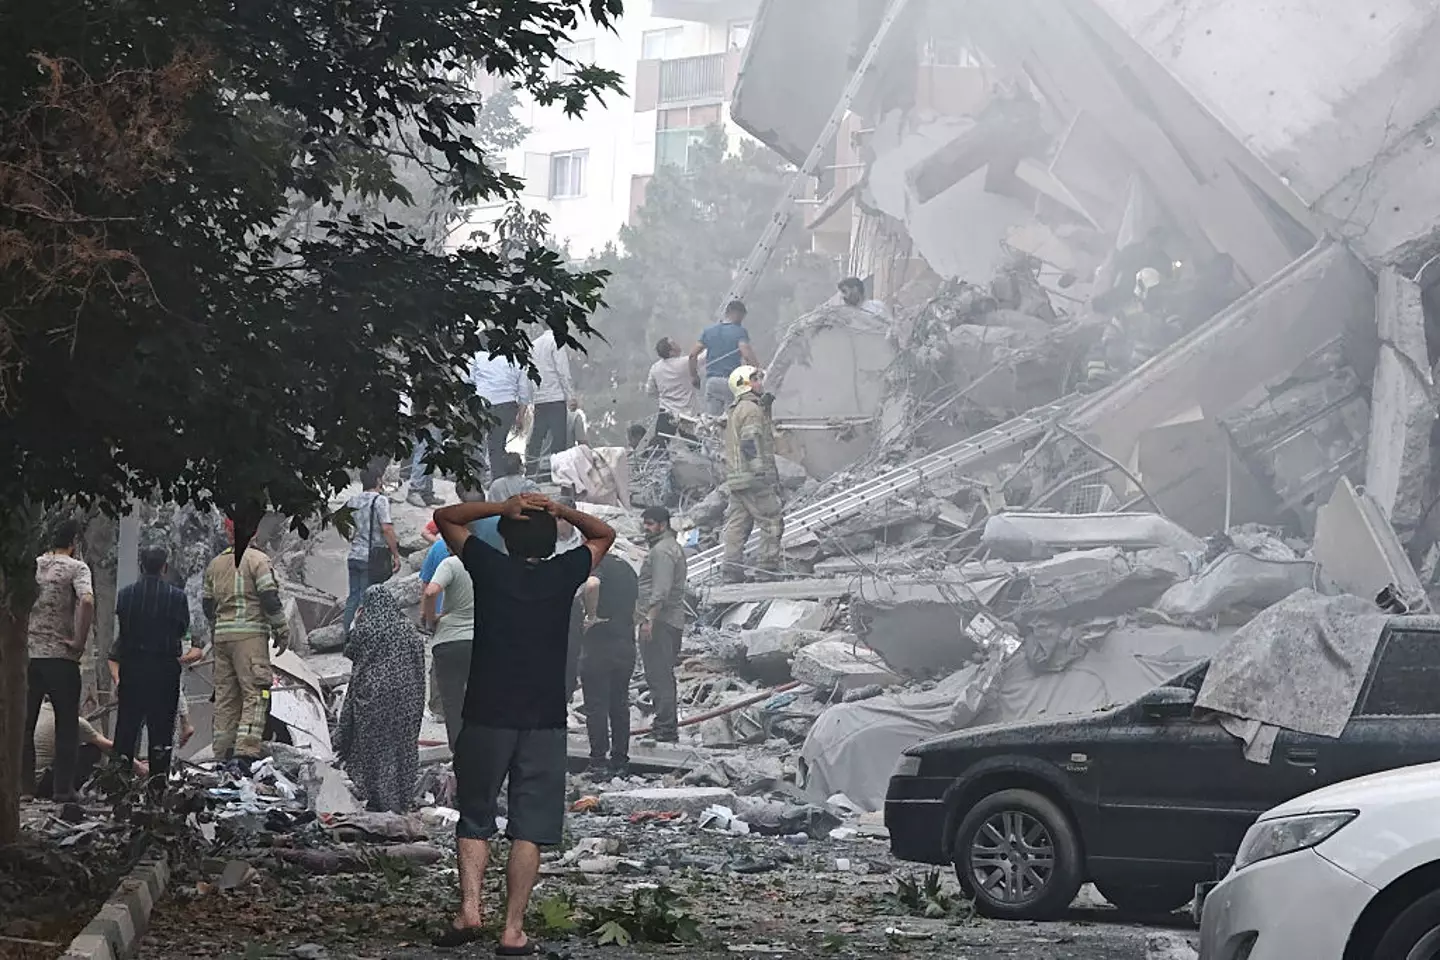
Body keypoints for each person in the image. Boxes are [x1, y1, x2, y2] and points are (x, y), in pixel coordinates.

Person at [431, 493, 615, 952]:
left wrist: (500, 506)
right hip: (544, 716)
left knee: (475, 814)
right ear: (553, 540)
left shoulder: (489, 566)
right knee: (529, 825)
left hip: (487, 711)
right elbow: (604, 534)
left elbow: (444, 518)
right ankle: (513, 930)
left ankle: (470, 910)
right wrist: (563, 511)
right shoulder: (563, 572)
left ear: (507, 536)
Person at [109, 545, 203, 791]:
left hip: (133, 669)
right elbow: (182, 630)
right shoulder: (177, 597)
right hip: (164, 671)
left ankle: (117, 787)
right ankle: (157, 789)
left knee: (126, 729)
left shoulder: (126, 595)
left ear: (141, 566)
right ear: (164, 567)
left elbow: (124, 631)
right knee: (161, 732)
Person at [203, 518, 290, 769]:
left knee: (225, 697)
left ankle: (222, 753)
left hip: (222, 637)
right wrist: (282, 629)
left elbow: (208, 604)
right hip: (250, 637)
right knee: (257, 692)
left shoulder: (215, 564)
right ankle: (244, 754)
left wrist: (217, 628)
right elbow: (269, 597)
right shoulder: (257, 560)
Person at [21, 519, 95, 802]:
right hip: (61, 658)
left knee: (26, 724)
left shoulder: (34, 565)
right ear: (74, 542)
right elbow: (86, 601)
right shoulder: (77, 568)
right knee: (66, 724)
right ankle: (62, 790)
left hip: (30, 656)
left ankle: (25, 789)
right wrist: (78, 640)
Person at [336, 585, 426, 812]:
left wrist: (355, 623)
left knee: (375, 748)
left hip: (373, 699)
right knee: (402, 746)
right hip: (407, 699)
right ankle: (400, 799)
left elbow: (349, 651)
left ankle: (379, 798)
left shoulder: (366, 628)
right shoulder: (407, 627)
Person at [721, 366, 784, 583]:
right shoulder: (751, 409)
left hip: (737, 480)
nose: (760, 382)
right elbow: (750, 442)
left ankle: (731, 571)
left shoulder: (737, 409)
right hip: (753, 478)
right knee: (772, 520)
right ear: (744, 384)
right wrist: (761, 472)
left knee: (738, 525)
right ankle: (767, 569)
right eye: (755, 379)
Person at [580, 552, 639, 773]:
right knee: (619, 704)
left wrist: (591, 616)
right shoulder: (626, 567)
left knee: (596, 705)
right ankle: (620, 760)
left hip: (599, 645)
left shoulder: (598, 564)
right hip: (625, 643)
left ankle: (598, 763)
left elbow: (592, 585)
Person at [636, 505, 687, 743]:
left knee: (659, 676)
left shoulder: (662, 552)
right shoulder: (669, 547)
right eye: (644, 523)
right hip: (669, 621)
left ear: (662, 524)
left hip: (661, 622)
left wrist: (649, 620)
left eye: (650, 524)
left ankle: (665, 729)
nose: (645, 528)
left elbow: (661, 590)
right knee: (661, 675)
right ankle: (665, 725)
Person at [31, 702, 143, 798]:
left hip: (27, 784)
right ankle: (66, 790)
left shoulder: (37, 713)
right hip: (45, 784)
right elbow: (108, 747)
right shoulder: (73, 720)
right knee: (92, 751)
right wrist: (139, 767)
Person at [422, 548, 475, 748]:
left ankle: (460, 752)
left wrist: (430, 620)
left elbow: (431, 591)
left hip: (449, 640)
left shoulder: (451, 564)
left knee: (452, 702)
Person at [343, 462, 402, 633]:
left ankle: (348, 636)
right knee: (367, 598)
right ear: (378, 480)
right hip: (371, 557)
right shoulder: (380, 500)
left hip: (354, 555)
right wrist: (395, 554)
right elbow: (387, 528)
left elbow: (347, 529)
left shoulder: (352, 501)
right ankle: (365, 637)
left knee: (353, 597)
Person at [470, 335, 535, 478]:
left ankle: (477, 476)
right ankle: (497, 480)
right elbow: (524, 391)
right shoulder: (517, 360)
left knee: (475, 442)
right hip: (506, 406)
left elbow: (466, 381)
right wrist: (520, 416)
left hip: (481, 404)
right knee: (497, 446)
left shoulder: (477, 357)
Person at [690, 300, 759, 416]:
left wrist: (694, 376)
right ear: (735, 313)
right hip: (731, 382)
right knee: (731, 421)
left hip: (712, 382)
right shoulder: (740, 331)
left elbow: (692, 355)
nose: (741, 321)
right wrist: (757, 371)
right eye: (741, 317)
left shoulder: (709, 331)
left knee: (712, 422)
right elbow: (746, 354)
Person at [525, 329, 576, 478]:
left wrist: (531, 399)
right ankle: (558, 475)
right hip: (556, 397)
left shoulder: (533, 345)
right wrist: (571, 396)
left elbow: (529, 374)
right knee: (558, 439)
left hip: (540, 398)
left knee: (537, 437)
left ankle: (530, 471)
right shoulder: (556, 342)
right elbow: (562, 371)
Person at [646, 337, 698, 440]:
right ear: (671, 352)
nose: (678, 344)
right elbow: (703, 357)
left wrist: (663, 396)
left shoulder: (655, 368)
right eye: (674, 343)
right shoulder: (685, 363)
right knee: (695, 445)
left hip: (666, 412)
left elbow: (650, 391)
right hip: (686, 414)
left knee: (660, 444)